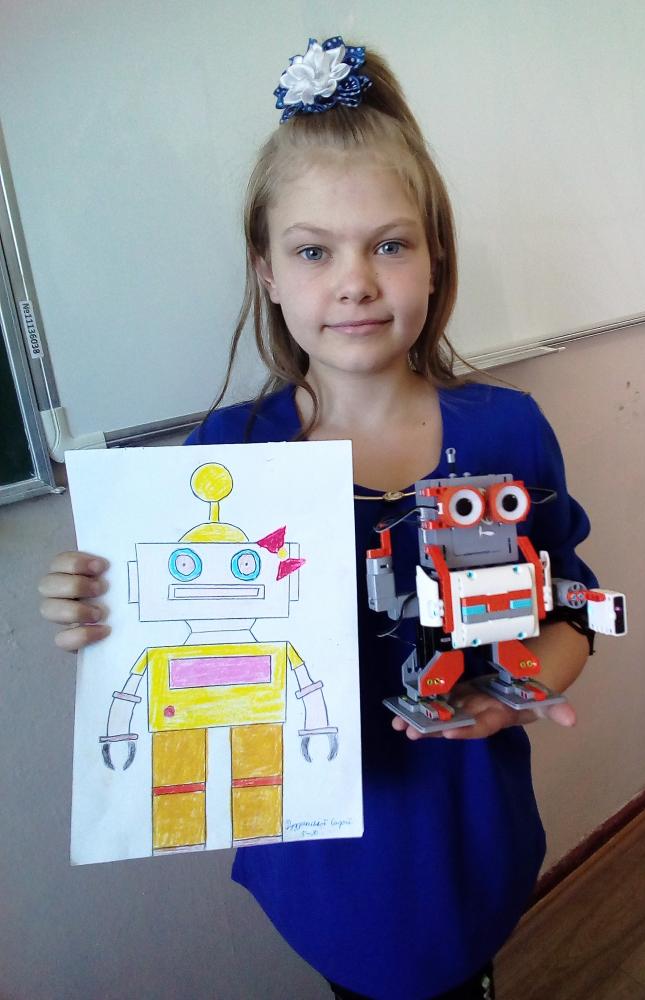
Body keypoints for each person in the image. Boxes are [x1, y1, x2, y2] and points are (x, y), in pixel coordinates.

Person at [39, 37, 597, 1000]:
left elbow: (573, 606)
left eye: (390, 244)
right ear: (266, 270)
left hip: (468, 841)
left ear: (434, 258)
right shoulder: (224, 456)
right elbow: (166, 629)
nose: (355, 281)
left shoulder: (509, 431)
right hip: (323, 864)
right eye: (312, 250)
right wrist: (93, 605)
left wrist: (523, 688)